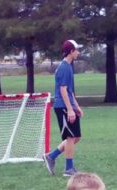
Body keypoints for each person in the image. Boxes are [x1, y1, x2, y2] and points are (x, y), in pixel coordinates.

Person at [46, 40, 85, 177]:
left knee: (76, 137)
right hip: (62, 106)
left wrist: (76, 107)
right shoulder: (63, 67)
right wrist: (69, 109)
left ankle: (51, 156)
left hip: (68, 105)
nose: (78, 52)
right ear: (71, 51)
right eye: (77, 50)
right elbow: (62, 90)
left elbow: (69, 91)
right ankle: (69, 169)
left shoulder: (69, 66)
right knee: (70, 137)